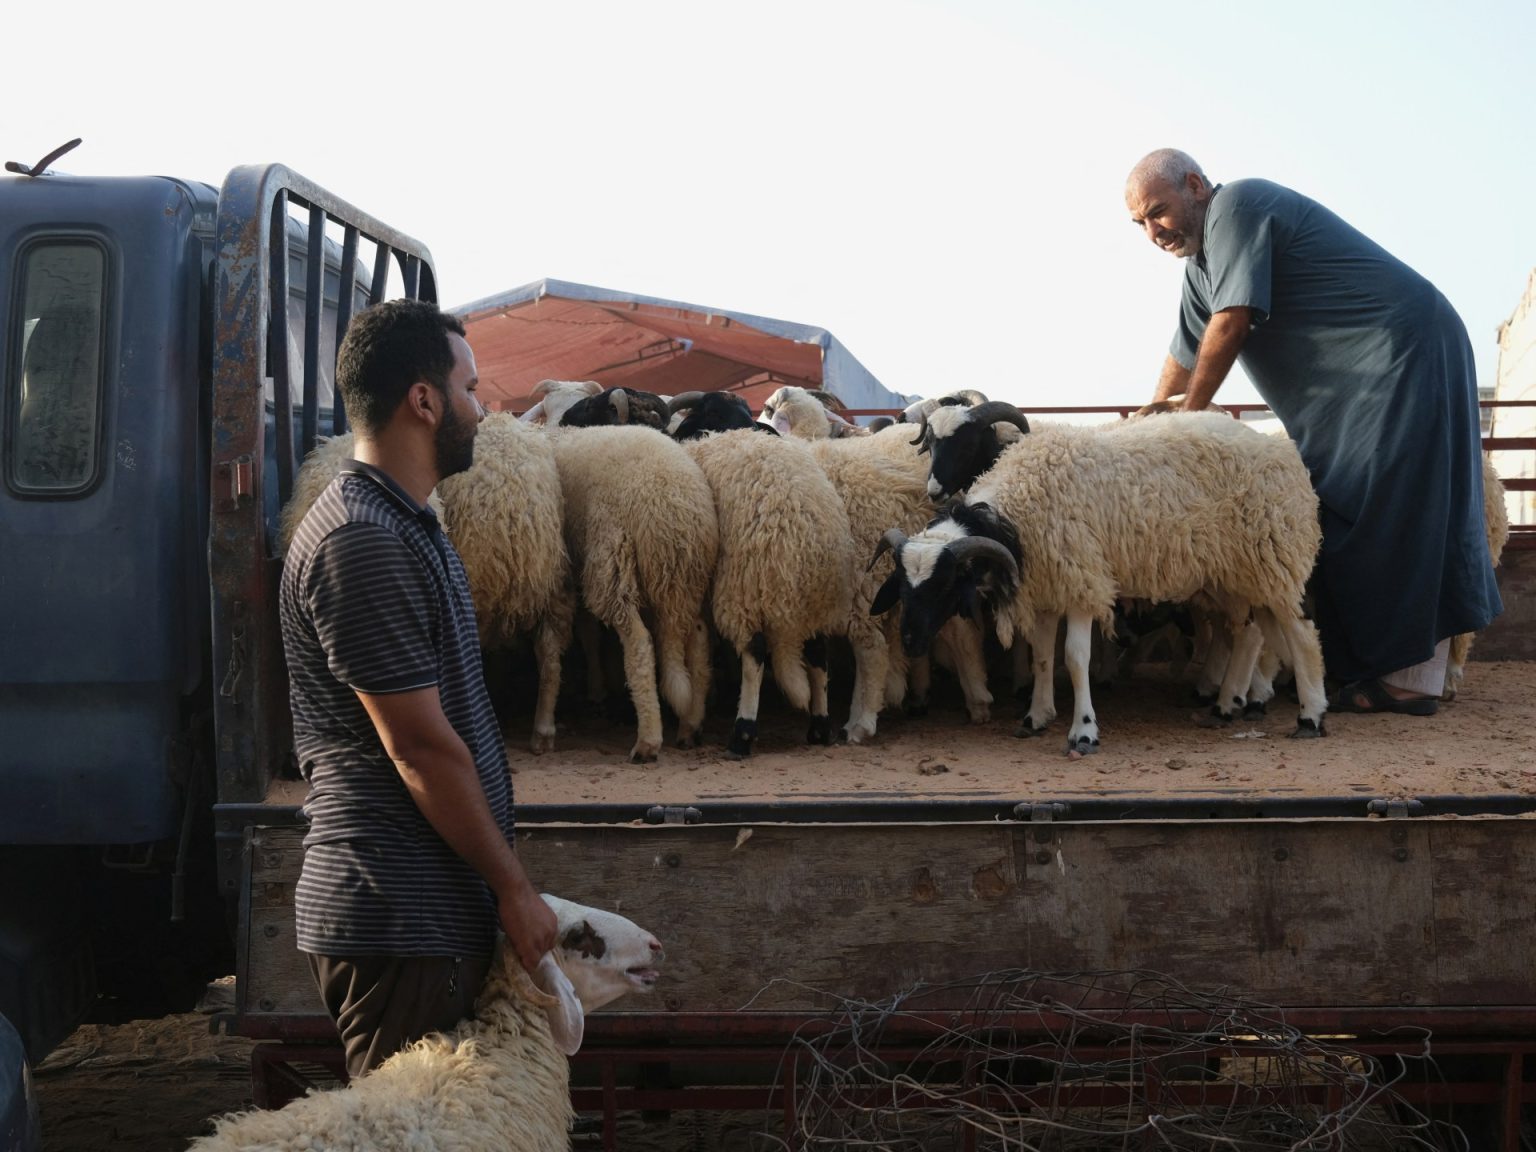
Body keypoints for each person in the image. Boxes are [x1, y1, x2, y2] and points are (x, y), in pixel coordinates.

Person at [278, 298, 557, 1078]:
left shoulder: (405, 524)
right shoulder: (360, 540)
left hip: (425, 911)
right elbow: (421, 749)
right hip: (397, 916)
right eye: (472, 388)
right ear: (424, 401)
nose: (484, 407)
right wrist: (513, 889)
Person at [1124, 148, 1501, 715]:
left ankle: (1413, 682)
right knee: (1340, 505)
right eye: (1140, 224)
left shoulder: (1238, 207)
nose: (1153, 232)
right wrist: (1149, 419)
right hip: (1362, 382)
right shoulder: (1201, 264)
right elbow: (1185, 352)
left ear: (1196, 186)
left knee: (1395, 502)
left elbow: (1231, 321)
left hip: (1400, 351)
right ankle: (1390, 669)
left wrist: (1187, 420)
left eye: (1158, 212)